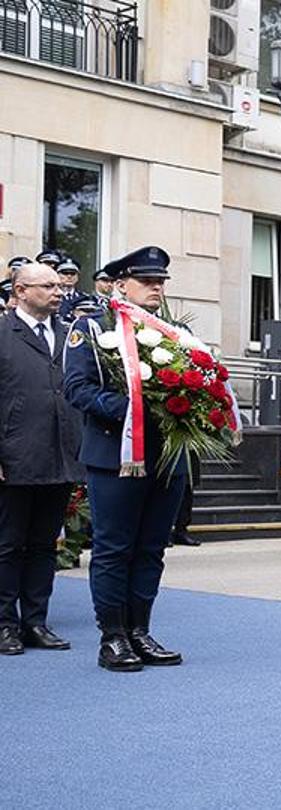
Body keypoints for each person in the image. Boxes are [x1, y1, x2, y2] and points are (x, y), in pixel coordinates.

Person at [62, 247, 193, 672]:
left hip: (166, 457)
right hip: (116, 454)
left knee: (152, 548)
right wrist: (131, 409)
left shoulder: (173, 332)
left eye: (161, 282)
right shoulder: (92, 328)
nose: (157, 288)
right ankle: (113, 636)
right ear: (120, 284)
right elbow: (77, 389)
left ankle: (140, 631)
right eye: (147, 281)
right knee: (115, 548)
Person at [0, 259, 84, 655]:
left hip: (59, 455)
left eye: (58, 285)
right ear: (20, 291)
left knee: (43, 544)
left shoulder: (69, 336)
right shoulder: (2, 332)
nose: (58, 291)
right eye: (47, 286)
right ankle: (4, 624)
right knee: (7, 543)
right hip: (14, 455)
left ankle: (35, 621)